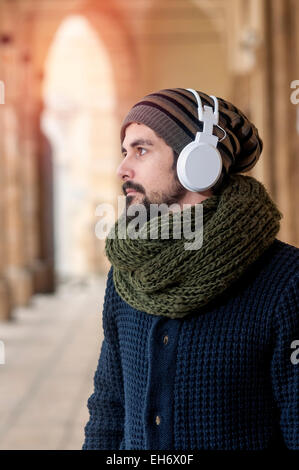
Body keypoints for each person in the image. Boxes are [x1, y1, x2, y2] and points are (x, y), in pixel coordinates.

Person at [82, 88, 299, 450]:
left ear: (197, 161)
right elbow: (109, 406)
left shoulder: (285, 280)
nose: (123, 168)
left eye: (141, 149)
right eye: (125, 152)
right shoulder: (126, 274)